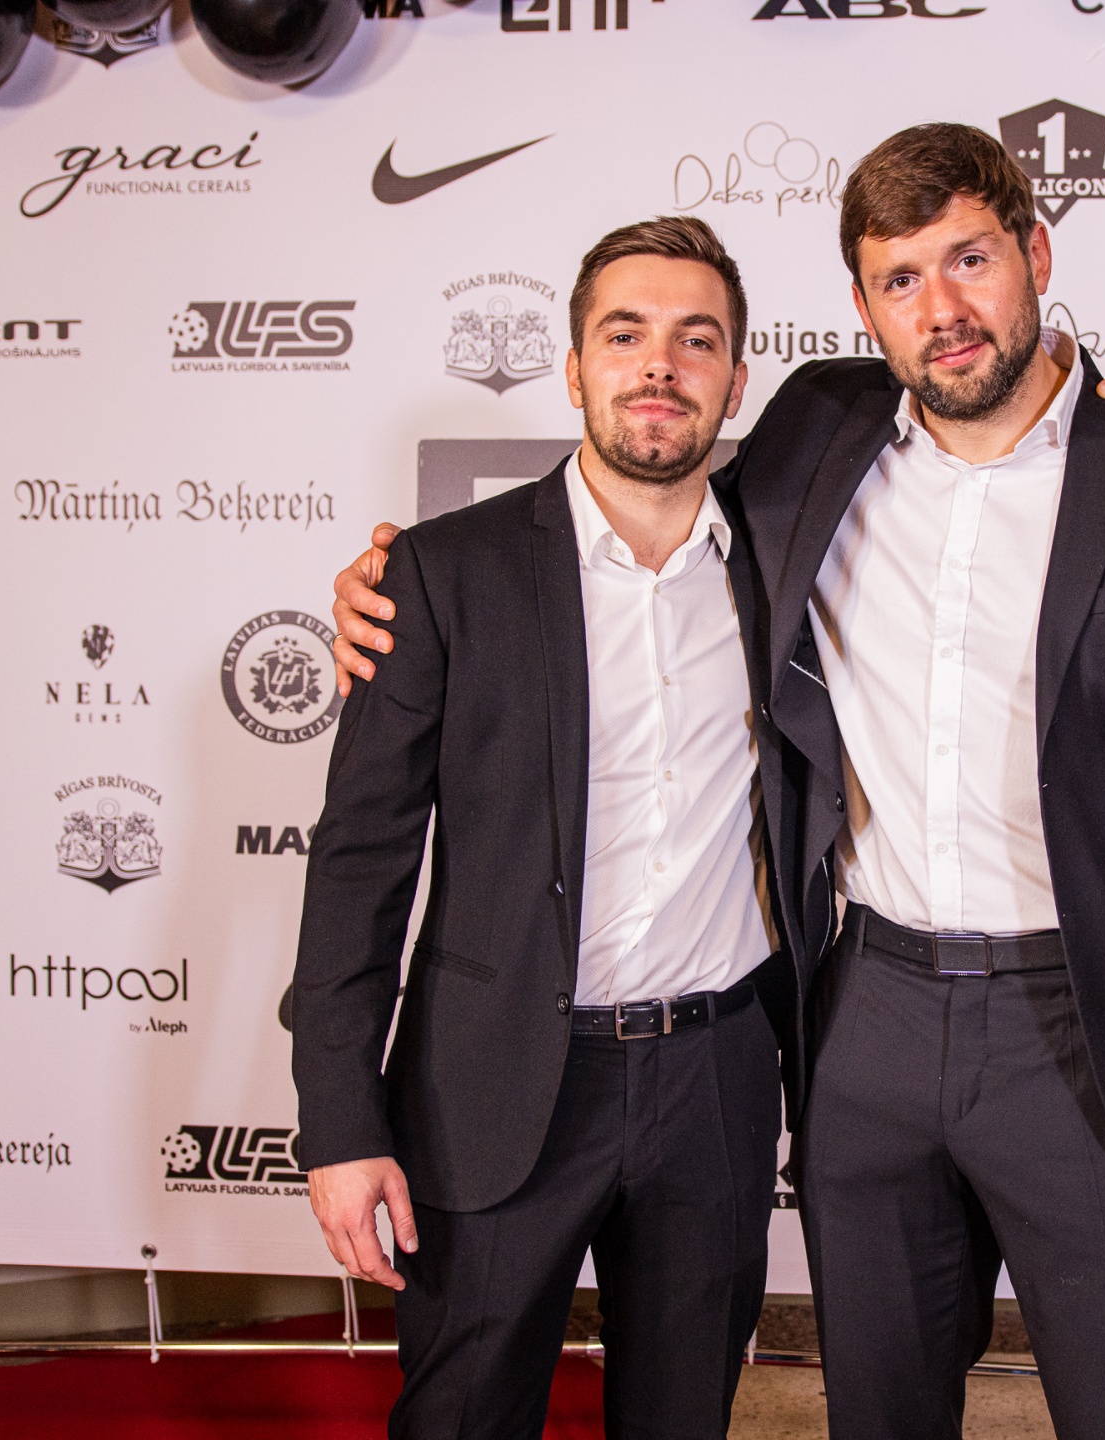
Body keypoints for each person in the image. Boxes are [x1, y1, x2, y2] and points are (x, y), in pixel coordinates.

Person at [331, 126, 1105, 1440]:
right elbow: (629, 494)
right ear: (861, 309)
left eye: (970, 261)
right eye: (901, 280)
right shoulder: (815, 436)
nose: (942, 310)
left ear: (1036, 254)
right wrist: (390, 581)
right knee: (875, 1413)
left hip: (1088, 1030)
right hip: (869, 1021)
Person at [293, 217, 797, 1440]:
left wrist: (1096, 392)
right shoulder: (437, 574)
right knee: (463, 1416)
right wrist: (339, 1124)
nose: (660, 365)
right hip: (493, 1080)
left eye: (697, 340)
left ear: (737, 380)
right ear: (574, 369)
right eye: (625, 336)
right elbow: (360, 865)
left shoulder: (789, 561)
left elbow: (957, 405)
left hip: (716, 1081)